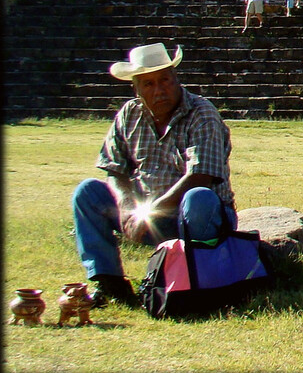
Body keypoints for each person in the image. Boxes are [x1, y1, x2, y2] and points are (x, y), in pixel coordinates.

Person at [71, 43, 237, 307]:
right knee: (88, 192)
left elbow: (200, 176)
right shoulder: (129, 114)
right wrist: (127, 208)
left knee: (199, 198)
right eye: (148, 84)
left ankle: (201, 284)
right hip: (147, 214)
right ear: (136, 89)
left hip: (196, 217)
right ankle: (110, 284)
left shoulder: (202, 113)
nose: (159, 90)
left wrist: (146, 214)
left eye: (164, 80)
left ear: (176, 79)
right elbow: (114, 168)